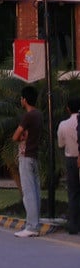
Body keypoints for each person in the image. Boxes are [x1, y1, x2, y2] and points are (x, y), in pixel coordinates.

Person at [12, 85, 43, 238]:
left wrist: (21, 136)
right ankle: (35, 223)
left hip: (25, 155)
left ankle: (31, 226)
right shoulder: (39, 115)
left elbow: (15, 136)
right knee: (35, 191)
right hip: (35, 155)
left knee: (28, 192)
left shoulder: (28, 116)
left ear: (24, 99)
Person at [57, 97, 80, 235]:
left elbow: (60, 144)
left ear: (68, 108)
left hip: (71, 159)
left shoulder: (63, 125)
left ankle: (73, 225)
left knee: (73, 193)